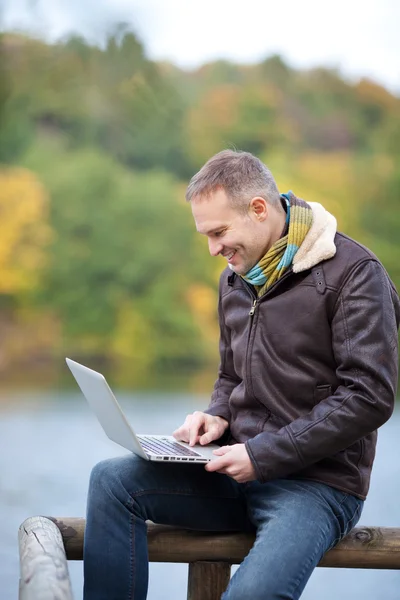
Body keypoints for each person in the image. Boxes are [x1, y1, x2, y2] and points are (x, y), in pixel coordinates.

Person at [83, 150, 400, 600]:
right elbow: (231, 375)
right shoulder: (233, 278)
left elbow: (369, 397)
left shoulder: (355, 273)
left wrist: (263, 455)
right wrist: (215, 416)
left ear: (258, 209)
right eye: (206, 236)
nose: (213, 249)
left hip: (318, 487)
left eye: (219, 232)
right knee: (111, 481)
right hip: (233, 471)